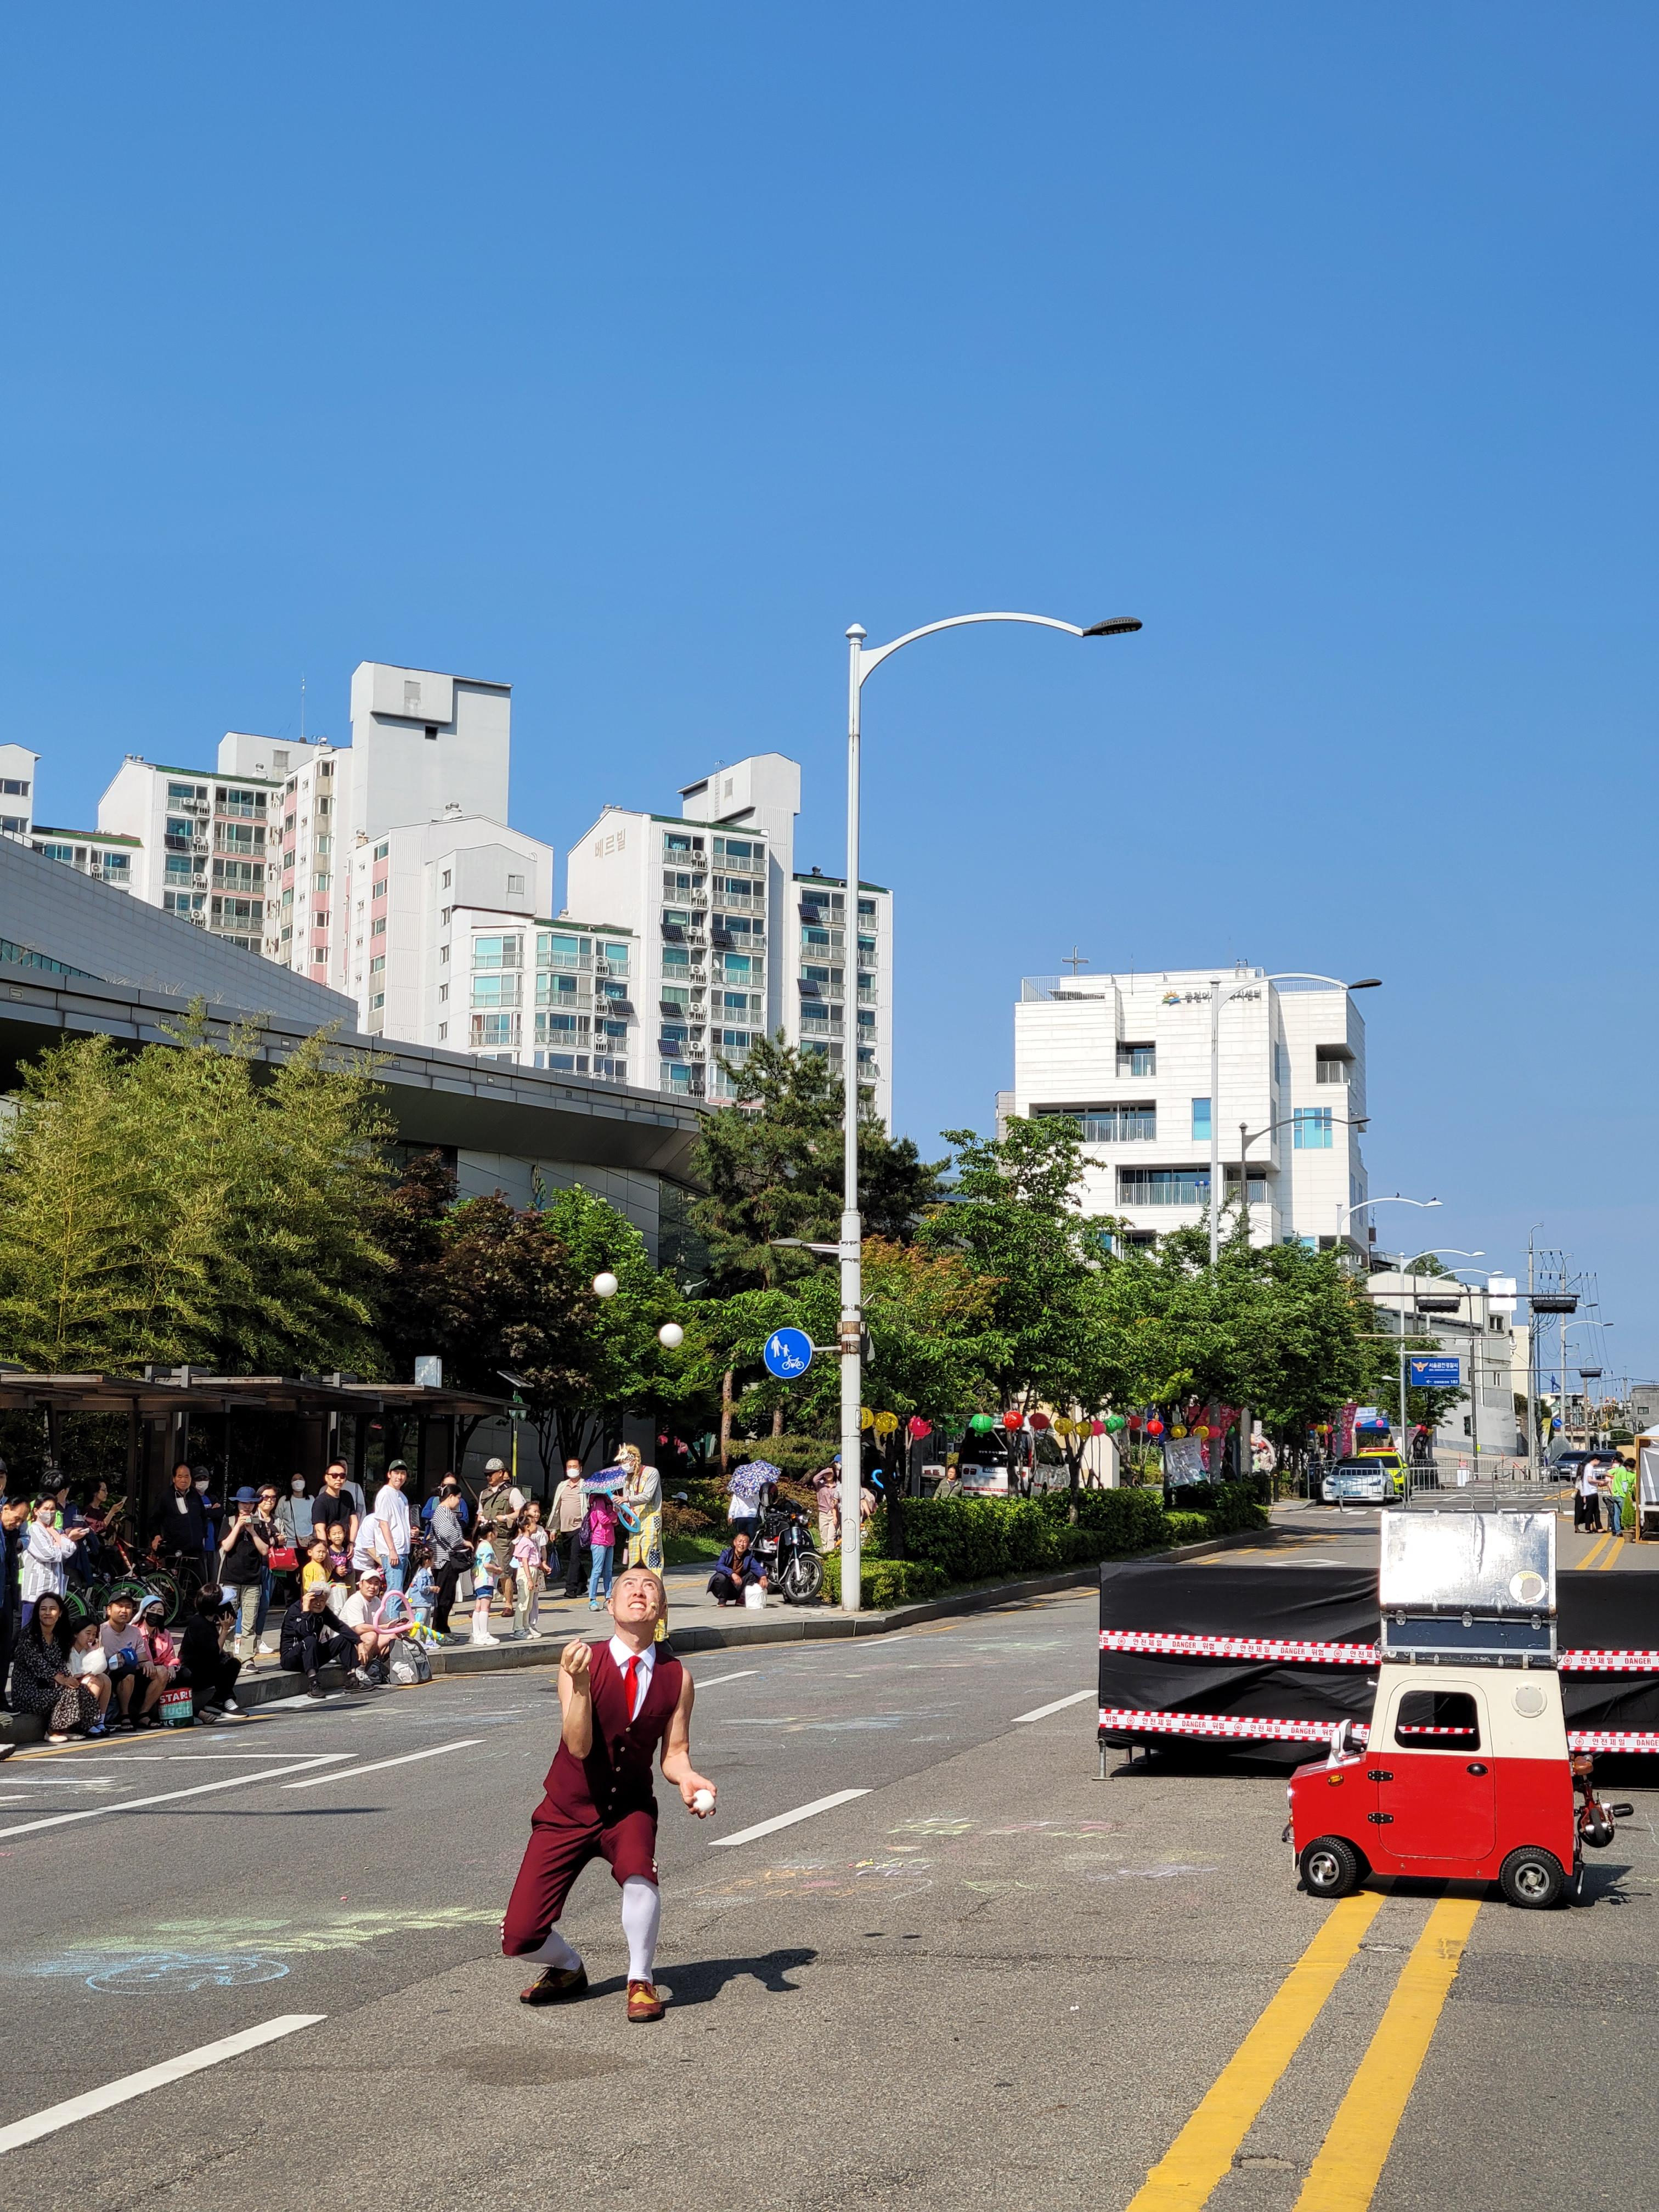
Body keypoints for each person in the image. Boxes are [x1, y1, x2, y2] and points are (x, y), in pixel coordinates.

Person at [501, 1565, 717, 2022]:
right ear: (612, 1605)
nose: (639, 1591)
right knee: (519, 1937)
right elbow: (578, 1747)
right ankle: (567, 1967)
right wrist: (581, 1686)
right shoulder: (581, 1662)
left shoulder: (678, 1677)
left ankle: (640, 1980)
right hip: (567, 1810)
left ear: (661, 1607)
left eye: (650, 1586)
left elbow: (674, 1753)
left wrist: (687, 1777)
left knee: (640, 1874)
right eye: (628, 1586)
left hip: (629, 1808)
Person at [10, 1594, 98, 1742]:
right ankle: (53, 1731)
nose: (47, 1613)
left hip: (49, 1688)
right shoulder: (29, 1634)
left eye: (52, 1609)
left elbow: (60, 1663)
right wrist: (61, 1679)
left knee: (81, 1689)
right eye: (43, 1609)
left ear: (60, 1613)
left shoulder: (58, 1636)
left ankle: (69, 1728)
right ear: (37, 1612)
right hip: (28, 1692)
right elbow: (37, 1663)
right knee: (68, 1692)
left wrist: (70, 1678)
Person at [280, 1580, 374, 1699]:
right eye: (315, 1600)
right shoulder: (295, 1610)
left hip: (312, 1655)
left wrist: (359, 1643)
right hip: (292, 1658)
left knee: (344, 1639)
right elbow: (305, 1632)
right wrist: (306, 1611)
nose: (318, 1604)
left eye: (322, 1601)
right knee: (310, 1640)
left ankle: (352, 1680)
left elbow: (340, 1627)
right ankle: (314, 1684)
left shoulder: (323, 1611)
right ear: (308, 1598)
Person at [219, 1487, 271, 1661]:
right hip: (230, 1579)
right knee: (227, 1621)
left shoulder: (260, 1524)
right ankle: (226, 1656)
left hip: (253, 1580)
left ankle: (247, 1659)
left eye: (250, 1503)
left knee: (250, 1623)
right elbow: (226, 1546)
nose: (247, 1506)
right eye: (243, 1503)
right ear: (237, 1504)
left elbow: (265, 1550)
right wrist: (238, 1527)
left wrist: (252, 1531)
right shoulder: (229, 1521)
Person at [179, 1588, 242, 1718]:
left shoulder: (209, 1621)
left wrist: (225, 1653)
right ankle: (227, 1699)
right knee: (221, 1665)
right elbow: (213, 1654)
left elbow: (213, 1645)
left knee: (233, 1663)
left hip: (204, 1668)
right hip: (193, 1674)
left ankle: (217, 1701)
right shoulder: (199, 1623)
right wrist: (225, 1630)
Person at [19, 1497, 81, 1628]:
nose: (50, 1512)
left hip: (54, 1593)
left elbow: (70, 1550)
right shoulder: (33, 1530)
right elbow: (48, 1555)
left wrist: (54, 1533)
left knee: (52, 1632)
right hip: (35, 1593)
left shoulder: (57, 1531)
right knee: (30, 1632)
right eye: (46, 1509)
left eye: (53, 1509)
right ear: (36, 1511)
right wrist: (60, 1544)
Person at [337, 1566, 405, 1680]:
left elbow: (387, 1623)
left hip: (362, 1643)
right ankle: (360, 1670)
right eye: (369, 1583)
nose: (372, 1587)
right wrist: (384, 1627)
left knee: (393, 1636)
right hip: (345, 1647)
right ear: (361, 1584)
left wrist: (398, 1627)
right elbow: (359, 1629)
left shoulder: (377, 1601)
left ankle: (374, 1668)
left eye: (376, 1584)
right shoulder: (355, 1600)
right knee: (371, 1636)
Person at [478, 1459, 526, 1622]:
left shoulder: (512, 1492)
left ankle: (508, 1604)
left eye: (491, 1474)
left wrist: (506, 1517)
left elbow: (521, 1512)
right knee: (483, 1571)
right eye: (486, 1474)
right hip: (486, 1538)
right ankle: (483, 1605)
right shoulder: (484, 1494)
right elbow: (480, 1512)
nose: (488, 1477)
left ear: (500, 1473)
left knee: (505, 1571)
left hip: (503, 1537)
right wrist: (481, 1519)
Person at [428, 1480, 471, 1640]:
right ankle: (439, 1630)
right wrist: (463, 1542)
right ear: (451, 1497)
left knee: (448, 1596)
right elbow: (447, 1533)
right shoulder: (442, 1512)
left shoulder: (445, 1512)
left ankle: (444, 1628)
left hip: (446, 1559)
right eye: (458, 1498)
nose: (459, 1502)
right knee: (444, 1597)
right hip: (443, 1560)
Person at [0, 1492, 31, 1712]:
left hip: (8, 1596)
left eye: (22, 1521)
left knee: (4, 1651)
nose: (18, 1524)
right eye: (16, 1518)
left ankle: (1, 1699)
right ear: (5, 1509)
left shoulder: (13, 1534)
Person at [365, 1460, 415, 1590]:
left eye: (403, 1473)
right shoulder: (385, 1494)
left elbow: (400, 1523)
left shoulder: (402, 1496)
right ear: (389, 1474)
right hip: (393, 1551)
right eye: (396, 1473)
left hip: (403, 1550)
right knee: (394, 1591)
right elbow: (383, 1524)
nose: (400, 1477)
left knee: (398, 1591)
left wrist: (410, 1532)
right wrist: (392, 1550)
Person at [156, 1464, 211, 1573]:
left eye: (187, 1477)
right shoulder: (165, 1496)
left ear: (191, 1478)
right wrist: (156, 1535)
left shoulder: (195, 1495)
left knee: (199, 1580)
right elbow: (155, 1519)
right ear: (174, 1478)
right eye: (180, 1477)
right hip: (175, 1550)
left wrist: (203, 1535)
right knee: (176, 1580)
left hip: (196, 1550)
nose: (184, 1480)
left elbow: (203, 1516)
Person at [67, 1620, 113, 1735]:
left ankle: (99, 1720)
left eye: (94, 1634)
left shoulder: (87, 1651)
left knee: (105, 1679)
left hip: (84, 1682)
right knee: (95, 1681)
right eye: (88, 1633)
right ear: (76, 1634)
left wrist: (97, 1652)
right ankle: (87, 1721)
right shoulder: (68, 1651)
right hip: (71, 1687)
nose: (91, 1638)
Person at [553, 1459, 590, 1599]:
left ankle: (571, 1589)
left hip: (580, 1527)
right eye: (569, 1467)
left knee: (575, 1557)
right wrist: (553, 1529)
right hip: (565, 1528)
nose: (572, 1469)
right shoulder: (562, 1486)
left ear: (581, 1468)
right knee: (571, 1557)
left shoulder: (585, 1485)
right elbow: (556, 1508)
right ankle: (582, 1581)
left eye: (574, 1466)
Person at [512, 1504, 549, 1639]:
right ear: (527, 1527)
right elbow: (524, 1561)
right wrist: (528, 1579)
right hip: (527, 1572)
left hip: (533, 1570)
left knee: (529, 1602)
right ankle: (518, 1628)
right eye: (533, 1524)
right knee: (523, 1601)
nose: (535, 1526)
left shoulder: (530, 1541)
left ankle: (526, 1625)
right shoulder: (524, 1542)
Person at [707, 1530, 766, 1607]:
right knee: (720, 1577)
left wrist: (763, 1576)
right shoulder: (726, 1553)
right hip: (724, 1587)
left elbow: (757, 1567)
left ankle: (741, 1599)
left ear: (748, 1545)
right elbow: (719, 1566)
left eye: (745, 1542)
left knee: (753, 1575)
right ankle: (722, 1600)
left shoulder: (749, 1556)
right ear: (735, 1542)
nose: (742, 1544)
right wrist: (732, 1574)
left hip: (738, 1587)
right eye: (740, 1541)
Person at [585, 1484, 618, 1611]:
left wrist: (615, 1515)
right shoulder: (599, 1501)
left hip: (610, 1540)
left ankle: (608, 1597)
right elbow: (603, 1519)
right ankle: (592, 1600)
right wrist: (614, 1515)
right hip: (599, 1540)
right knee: (597, 1570)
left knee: (609, 1571)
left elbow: (615, 1522)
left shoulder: (609, 1502)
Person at [312, 1463, 360, 1550]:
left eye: (342, 1476)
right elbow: (320, 1530)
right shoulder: (320, 1501)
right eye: (334, 1475)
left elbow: (354, 1521)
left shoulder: (347, 1496)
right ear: (327, 1478)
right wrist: (326, 1551)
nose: (339, 1479)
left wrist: (352, 1543)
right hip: (328, 1548)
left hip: (346, 1546)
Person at [471, 1528, 502, 1646]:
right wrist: (497, 1569)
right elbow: (486, 1565)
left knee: (478, 1607)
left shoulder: (480, 1545)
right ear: (490, 1534)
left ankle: (476, 1633)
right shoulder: (487, 1546)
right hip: (486, 1579)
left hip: (478, 1579)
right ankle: (484, 1634)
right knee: (485, 1607)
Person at [406, 1546, 438, 1634]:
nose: (434, 1560)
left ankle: (425, 1639)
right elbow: (422, 1588)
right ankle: (418, 1639)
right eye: (433, 1559)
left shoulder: (422, 1572)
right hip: (421, 1602)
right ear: (427, 1561)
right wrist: (432, 1588)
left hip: (425, 1602)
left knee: (426, 1623)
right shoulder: (423, 1573)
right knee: (420, 1623)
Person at [809, 1463, 839, 1554]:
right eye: (827, 1474)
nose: (829, 1475)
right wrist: (826, 1470)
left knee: (831, 1536)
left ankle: (830, 1554)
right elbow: (815, 1479)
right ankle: (826, 1553)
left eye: (831, 1473)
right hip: (823, 1513)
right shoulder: (821, 1485)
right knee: (824, 1535)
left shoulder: (838, 1486)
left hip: (834, 1513)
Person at [1577, 1462, 1602, 1535]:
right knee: (1590, 1511)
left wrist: (1599, 1483)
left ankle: (1597, 1527)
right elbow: (1584, 1486)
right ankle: (1589, 1528)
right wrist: (1585, 1497)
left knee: (1596, 1511)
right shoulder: (1584, 1477)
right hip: (1589, 1494)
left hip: (1593, 1493)